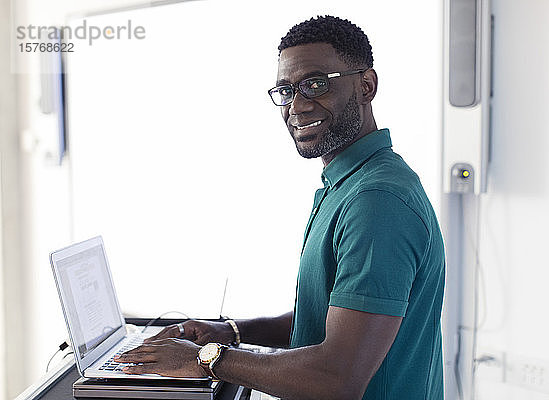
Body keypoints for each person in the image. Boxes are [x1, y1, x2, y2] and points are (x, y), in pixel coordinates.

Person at [116, 15, 445, 400]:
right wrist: (233, 332)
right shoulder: (350, 184)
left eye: (315, 84)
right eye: (286, 91)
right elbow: (328, 321)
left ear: (366, 86)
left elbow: (336, 379)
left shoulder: (376, 202)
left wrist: (207, 358)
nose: (298, 106)